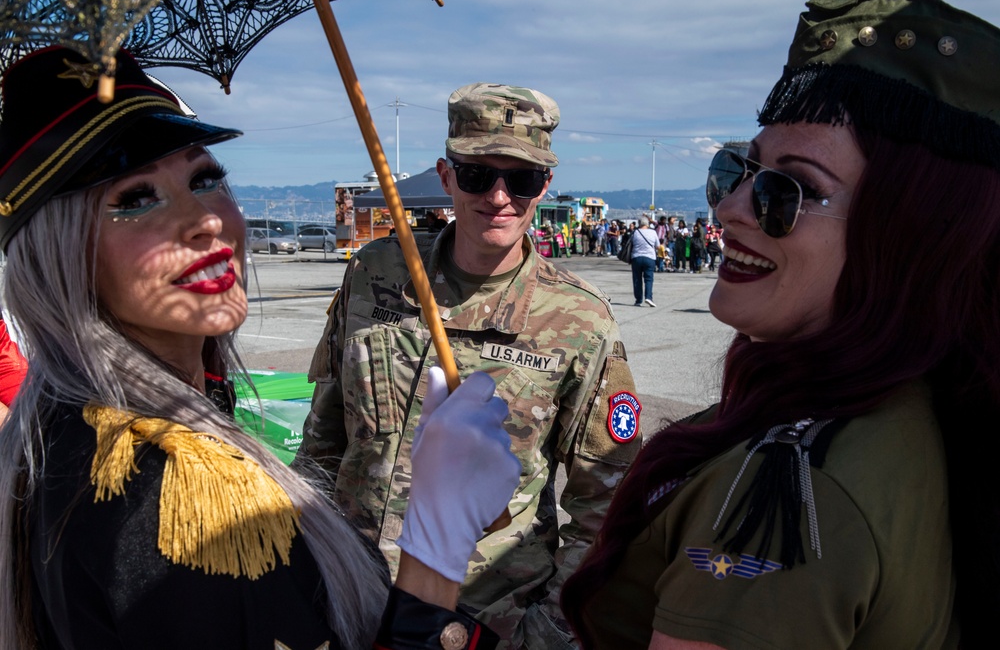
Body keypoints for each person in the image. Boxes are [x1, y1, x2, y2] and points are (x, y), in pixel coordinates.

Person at [0, 46, 521, 649]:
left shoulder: (65, 425)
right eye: (135, 198)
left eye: (204, 178)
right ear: (61, 255)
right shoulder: (170, 494)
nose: (206, 220)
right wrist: (438, 543)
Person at [563, 0, 1000, 648]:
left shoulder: (791, 492)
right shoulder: (913, 405)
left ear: (910, 235)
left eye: (790, 191)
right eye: (738, 170)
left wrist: (434, 568)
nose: (731, 208)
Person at [298, 82, 642, 650]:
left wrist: (551, 630)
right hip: (352, 594)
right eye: (479, 175)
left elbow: (605, 499)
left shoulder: (582, 320)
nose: (500, 196)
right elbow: (324, 438)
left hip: (483, 618)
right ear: (446, 176)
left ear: (545, 186)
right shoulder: (374, 275)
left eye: (523, 178)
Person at [629, 216, 658, 307]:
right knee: (649, 279)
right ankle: (648, 297)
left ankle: (638, 300)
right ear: (647, 224)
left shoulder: (635, 233)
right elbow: (657, 245)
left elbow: (631, 244)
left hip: (636, 257)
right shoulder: (653, 232)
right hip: (649, 257)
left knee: (637, 279)